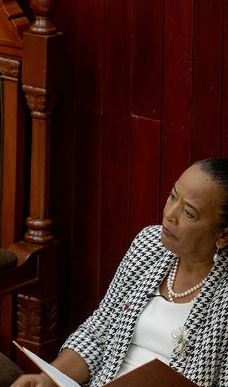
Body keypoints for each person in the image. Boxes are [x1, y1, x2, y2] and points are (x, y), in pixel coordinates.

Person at [12, 158, 228, 387]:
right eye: (172, 196)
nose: (169, 215)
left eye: (189, 213)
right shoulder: (149, 245)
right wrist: (48, 380)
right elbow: (98, 334)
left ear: (223, 236)